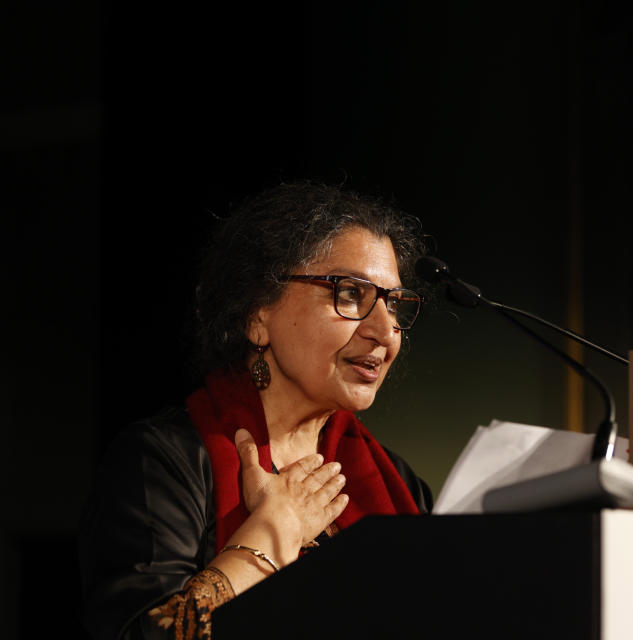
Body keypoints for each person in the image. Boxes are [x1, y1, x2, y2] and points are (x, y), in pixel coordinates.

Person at [78, 182, 432, 640]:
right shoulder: (163, 461)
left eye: (395, 305)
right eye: (349, 294)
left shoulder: (397, 482)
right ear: (257, 314)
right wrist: (271, 532)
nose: (385, 332)